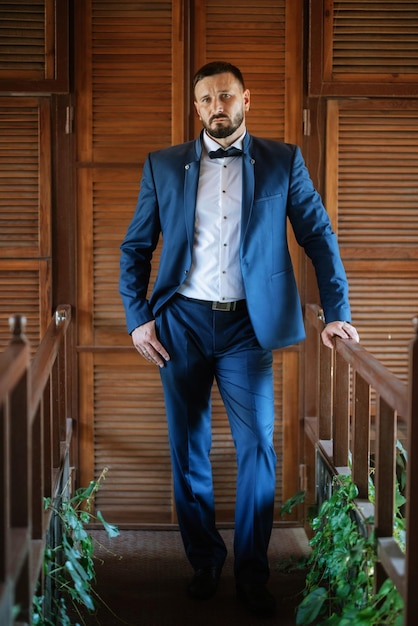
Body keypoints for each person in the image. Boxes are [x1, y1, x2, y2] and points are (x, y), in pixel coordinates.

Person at [119, 61, 359, 617]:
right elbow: (135, 248)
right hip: (180, 322)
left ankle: (252, 572)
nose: (215, 107)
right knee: (189, 449)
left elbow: (318, 236)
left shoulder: (283, 161)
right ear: (197, 107)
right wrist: (138, 319)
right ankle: (204, 561)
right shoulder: (162, 165)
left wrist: (338, 312)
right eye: (205, 100)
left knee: (257, 451)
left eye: (225, 96)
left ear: (246, 99)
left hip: (248, 327)